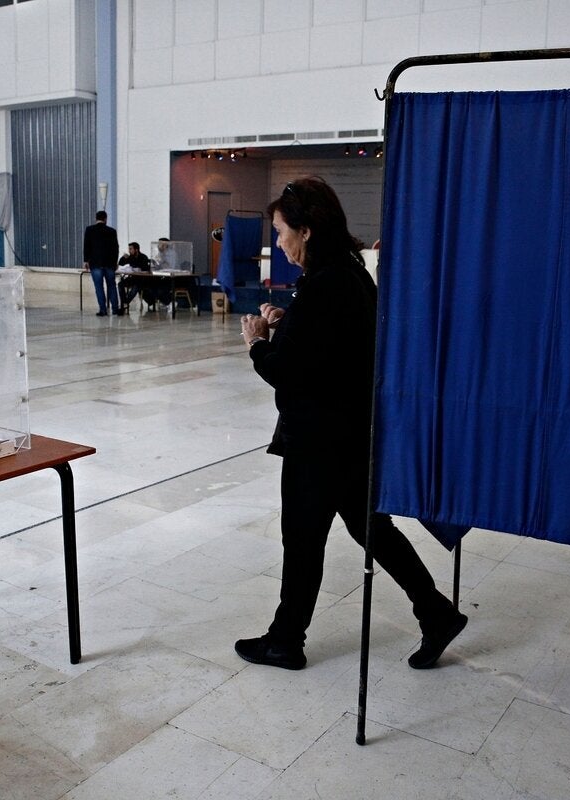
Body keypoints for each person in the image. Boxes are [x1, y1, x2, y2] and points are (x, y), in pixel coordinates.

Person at [236, 177, 466, 671]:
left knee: (303, 539)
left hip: (318, 440)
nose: (279, 242)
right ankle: (435, 612)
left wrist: (257, 341)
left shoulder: (324, 286)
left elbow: (288, 372)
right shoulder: (349, 274)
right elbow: (331, 349)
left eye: (281, 232)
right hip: (350, 432)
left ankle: (285, 641)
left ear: (306, 230)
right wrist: (288, 324)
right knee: (373, 530)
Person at [82, 210, 121, 316]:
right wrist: (115, 262)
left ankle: (103, 310)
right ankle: (115, 309)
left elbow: (86, 246)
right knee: (111, 286)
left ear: (96, 218)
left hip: (95, 263)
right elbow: (115, 248)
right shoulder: (112, 231)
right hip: (109, 264)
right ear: (105, 219)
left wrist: (86, 260)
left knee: (99, 287)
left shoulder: (89, 230)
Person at [117, 241, 154, 309]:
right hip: (133, 278)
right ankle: (124, 302)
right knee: (120, 284)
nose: (129, 251)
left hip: (142, 279)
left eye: (131, 249)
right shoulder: (130, 257)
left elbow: (145, 270)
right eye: (129, 249)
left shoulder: (143, 257)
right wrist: (124, 257)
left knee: (136, 287)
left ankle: (125, 303)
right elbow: (121, 263)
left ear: (136, 250)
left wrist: (137, 268)